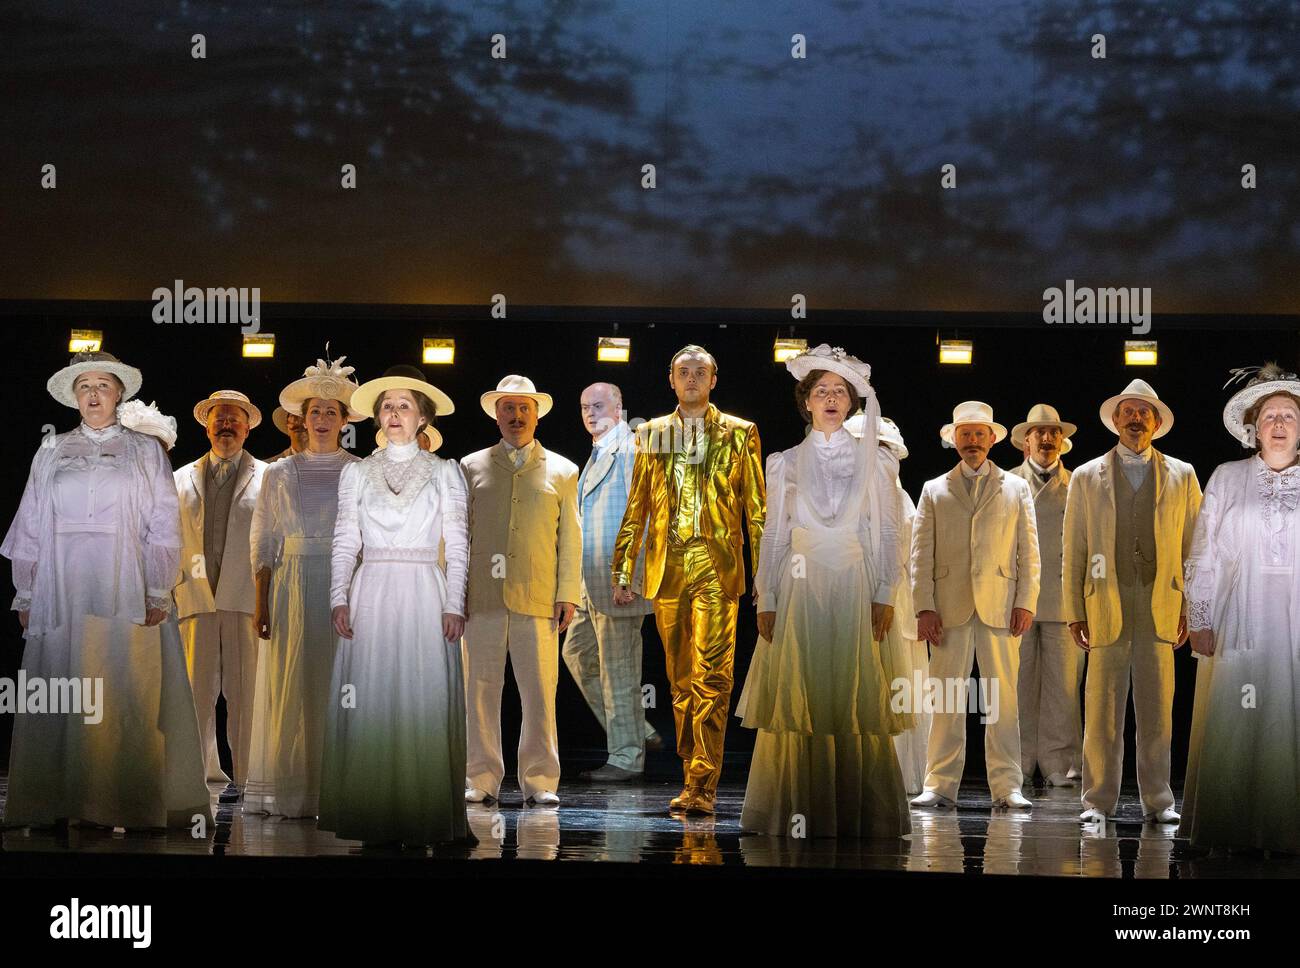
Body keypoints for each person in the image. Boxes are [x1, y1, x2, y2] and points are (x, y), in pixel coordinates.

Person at [1, 352, 209, 829]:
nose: (93, 394)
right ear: (75, 397)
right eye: (84, 387)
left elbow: (162, 521)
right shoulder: (52, 449)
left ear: (119, 393)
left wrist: (158, 588)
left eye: (103, 385)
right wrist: (26, 592)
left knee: (120, 684)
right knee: (65, 681)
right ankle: (59, 800)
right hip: (62, 582)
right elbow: (31, 522)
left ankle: (117, 801)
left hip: (123, 580)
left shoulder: (143, 450)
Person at [739, 345, 910, 837]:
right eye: (821, 391)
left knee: (855, 694)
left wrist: (885, 590)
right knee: (803, 694)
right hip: (802, 583)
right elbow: (773, 532)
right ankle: (798, 808)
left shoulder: (875, 461)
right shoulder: (785, 461)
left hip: (855, 583)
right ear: (806, 402)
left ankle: (860, 814)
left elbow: (889, 530)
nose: (830, 399)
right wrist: (766, 596)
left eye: (839, 391)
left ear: (852, 402)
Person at [612, 345, 765, 815]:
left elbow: (756, 511)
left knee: (713, 677)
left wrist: (766, 574)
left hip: (718, 567)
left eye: (701, 372)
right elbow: (637, 503)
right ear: (671, 380)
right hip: (668, 567)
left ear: (714, 380)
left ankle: (704, 784)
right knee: (680, 682)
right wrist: (623, 569)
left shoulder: (740, 434)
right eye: (684, 372)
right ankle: (689, 774)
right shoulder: (652, 433)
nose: (693, 378)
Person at [322, 365, 470, 846]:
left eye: (404, 405)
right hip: (373, 591)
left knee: (420, 699)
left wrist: (454, 603)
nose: (394, 413)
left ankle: (421, 814)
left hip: (423, 590)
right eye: (387, 406)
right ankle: (373, 816)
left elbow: (460, 544)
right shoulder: (357, 473)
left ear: (422, 417)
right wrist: (339, 595)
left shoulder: (445, 472)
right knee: (372, 698)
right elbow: (345, 539)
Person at [1063, 379, 1201, 824]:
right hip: (1106, 600)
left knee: (1158, 711)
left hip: (1161, 602)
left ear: (1157, 423)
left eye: (1144, 412)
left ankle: (1158, 801)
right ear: (1115, 420)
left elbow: (1194, 548)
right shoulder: (1086, 476)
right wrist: (1073, 611)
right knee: (1101, 711)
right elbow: (1075, 549)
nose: (1136, 419)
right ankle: (1097, 801)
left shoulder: (1183, 474)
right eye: (1129, 412)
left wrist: (1192, 609)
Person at [1180, 363, 1300, 853]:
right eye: (1269, 415)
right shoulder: (1228, 478)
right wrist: (1201, 617)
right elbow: (1204, 548)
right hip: (1242, 618)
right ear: (1254, 428)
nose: (1277, 423)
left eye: (1288, 416)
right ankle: (1229, 828)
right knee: (1240, 713)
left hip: (1295, 622)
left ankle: (1286, 828)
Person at [245, 354, 363, 817]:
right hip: (291, 584)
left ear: (344, 420)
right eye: (315, 411)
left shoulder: (359, 470)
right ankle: (293, 789)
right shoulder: (275, 474)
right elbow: (264, 540)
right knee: (294, 680)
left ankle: (337, 788)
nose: (321, 419)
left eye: (331, 412)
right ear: (302, 418)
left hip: (340, 581)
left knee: (338, 683)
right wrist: (260, 603)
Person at [910, 401, 1040, 810]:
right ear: (954, 440)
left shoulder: (1016, 488)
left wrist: (1026, 602)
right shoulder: (934, 488)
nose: (972, 442)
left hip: (1000, 605)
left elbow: (1029, 553)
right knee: (947, 696)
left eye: (979, 434)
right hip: (948, 606)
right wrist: (923, 606)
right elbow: (920, 554)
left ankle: (1007, 786)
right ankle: (940, 784)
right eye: (965, 434)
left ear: (991, 439)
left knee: (1002, 699)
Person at [461, 375, 581, 806]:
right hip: (483, 599)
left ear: (536, 414)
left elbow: (571, 538)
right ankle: (481, 777)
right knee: (479, 691)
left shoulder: (563, 470)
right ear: (497, 414)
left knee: (539, 693)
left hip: (539, 600)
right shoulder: (470, 466)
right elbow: (460, 536)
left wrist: (568, 592)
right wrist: (455, 595)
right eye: (508, 408)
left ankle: (541, 780)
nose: (516, 416)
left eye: (523, 408)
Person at [564, 382, 661, 782]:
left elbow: (646, 516)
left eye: (599, 405)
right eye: (585, 406)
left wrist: (627, 576)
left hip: (617, 579)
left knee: (618, 669)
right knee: (577, 653)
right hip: (588, 579)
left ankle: (625, 756)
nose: (591, 412)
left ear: (619, 408)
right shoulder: (599, 451)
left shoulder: (633, 447)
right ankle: (638, 733)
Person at [173, 390, 267, 798]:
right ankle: (200, 773)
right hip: (196, 598)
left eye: (234, 419)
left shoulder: (268, 476)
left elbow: (271, 540)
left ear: (247, 427)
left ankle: (247, 774)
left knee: (245, 693)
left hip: (245, 598)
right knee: (196, 692)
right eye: (219, 418)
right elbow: (170, 539)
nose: (226, 425)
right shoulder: (180, 478)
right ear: (206, 425)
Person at [848, 412, 932, 797]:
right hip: (850, 597)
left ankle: (900, 773)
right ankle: (856, 773)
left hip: (895, 602)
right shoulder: (841, 496)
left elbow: (915, 557)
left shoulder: (900, 496)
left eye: (882, 448)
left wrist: (919, 606)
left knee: (902, 688)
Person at [1007, 404, 1083, 788]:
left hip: (1063, 599)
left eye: (1054, 432)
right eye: (1040, 432)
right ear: (1026, 441)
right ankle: (1016, 761)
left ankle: (1060, 763)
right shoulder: (1005, 482)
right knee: (1017, 684)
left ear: (1063, 441)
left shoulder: (1080, 484)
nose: (1048, 439)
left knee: (1064, 687)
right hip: (1016, 599)